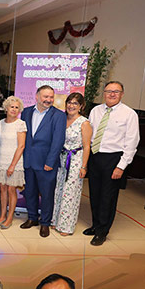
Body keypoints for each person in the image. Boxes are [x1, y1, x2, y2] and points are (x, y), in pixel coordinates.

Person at [85, 81, 140, 246]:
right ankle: (95, 225)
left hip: (114, 159)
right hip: (95, 157)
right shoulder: (95, 110)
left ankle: (102, 231)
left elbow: (132, 142)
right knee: (94, 194)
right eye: (109, 91)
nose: (112, 94)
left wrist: (121, 166)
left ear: (122, 94)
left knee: (108, 197)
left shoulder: (129, 114)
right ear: (104, 93)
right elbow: (89, 135)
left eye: (116, 91)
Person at [20, 85, 66, 237]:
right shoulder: (26, 112)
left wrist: (50, 162)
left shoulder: (59, 116)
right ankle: (32, 218)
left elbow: (58, 141)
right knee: (30, 192)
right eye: (45, 97)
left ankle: (45, 223)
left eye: (51, 97)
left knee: (47, 195)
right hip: (28, 161)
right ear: (37, 97)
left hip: (46, 163)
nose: (48, 100)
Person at [52, 92, 92, 235]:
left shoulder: (84, 123)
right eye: (69, 102)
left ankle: (66, 226)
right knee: (58, 190)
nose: (71, 105)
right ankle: (55, 221)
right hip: (61, 159)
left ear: (81, 106)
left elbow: (87, 146)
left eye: (75, 103)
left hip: (75, 160)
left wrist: (83, 166)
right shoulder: (62, 119)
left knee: (70, 193)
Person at [0, 95, 26, 228]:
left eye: (17, 107)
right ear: (6, 108)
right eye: (12, 107)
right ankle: (2, 215)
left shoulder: (21, 124)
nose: (14, 110)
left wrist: (12, 165)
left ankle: (10, 217)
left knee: (11, 190)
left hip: (14, 161)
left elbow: (21, 146)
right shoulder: (0, 123)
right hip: (1, 160)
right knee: (2, 189)